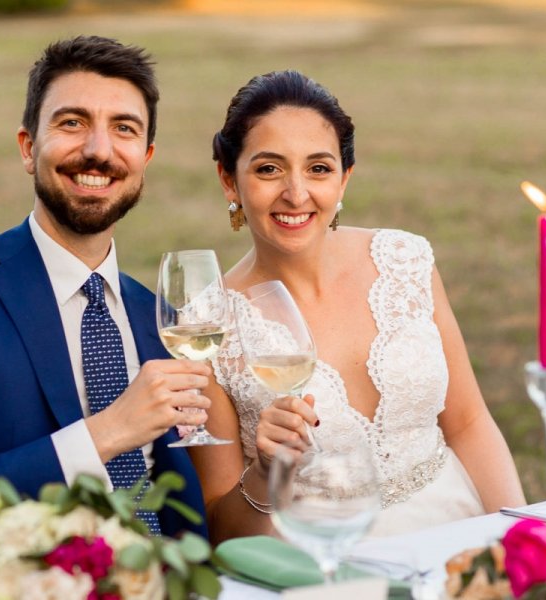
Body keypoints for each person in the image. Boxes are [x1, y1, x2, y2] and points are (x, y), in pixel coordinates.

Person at [0, 35, 211, 599]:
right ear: (28, 146)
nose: (99, 150)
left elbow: (183, 515)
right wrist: (106, 433)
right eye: (72, 123)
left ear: (145, 158)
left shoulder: (160, 321)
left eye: (124, 129)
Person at [190, 70, 526, 543]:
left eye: (318, 168)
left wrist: (524, 534)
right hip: (319, 563)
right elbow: (224, 532)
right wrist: (267, 471)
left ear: (345, 178)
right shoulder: (207, 328)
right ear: (229, 179)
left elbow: (469, 424)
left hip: (456, 531)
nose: (296, 193)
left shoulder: (404, 261)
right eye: (269, 169)